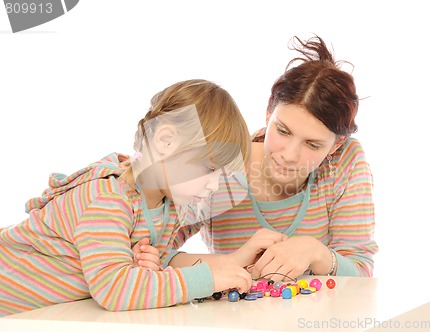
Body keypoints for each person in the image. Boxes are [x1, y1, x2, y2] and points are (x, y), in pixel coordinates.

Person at [0, 79, 256, 317]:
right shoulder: (107, 199)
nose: (213, 186)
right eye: (209, 169)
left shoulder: (168, 207)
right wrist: (207, 279)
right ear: (165, 141)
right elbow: (114, 289)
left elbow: (211, 208)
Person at [139, 35, 378, 281]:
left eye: (312, 144)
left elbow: (361, 273)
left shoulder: (344, 163)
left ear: (335, 145)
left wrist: (315, 252)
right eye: (283, 131)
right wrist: (229, 263)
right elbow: (150, 252)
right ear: (268, 114)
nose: (289, 155)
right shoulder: (221, 165)